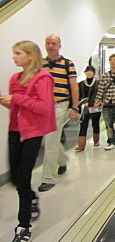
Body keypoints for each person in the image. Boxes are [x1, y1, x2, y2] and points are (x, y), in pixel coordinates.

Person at [0, 41, 56, 242]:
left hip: (31, 132)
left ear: (31, 55)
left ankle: (23, 226)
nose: (14, 57)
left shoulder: (43, 78)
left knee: (22, 176)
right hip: (14, 130)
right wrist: (7, 100)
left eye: (18, 53)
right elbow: (17, 106)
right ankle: (31, 197)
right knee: (15, 177)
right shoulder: (15, 78)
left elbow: (43, 107)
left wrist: (16, 97)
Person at [39, 35, 79, 192]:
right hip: (42, 107)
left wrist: (74, 107)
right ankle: (62, 160)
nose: (50, 46)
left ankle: (48, 178)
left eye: (54, 43)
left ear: (59, 46)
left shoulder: (67, 64)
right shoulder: (40, 64)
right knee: (47, 140)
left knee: (50, 139)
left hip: (60, 105)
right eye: (48, 43)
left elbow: (74, 86)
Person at [94, 54, 115, 150]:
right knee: (109, 124)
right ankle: (111, 141)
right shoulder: (105, 76)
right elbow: (101, 89)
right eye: (111, 60)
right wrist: (98, 101)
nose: (113, 62)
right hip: (107, 103)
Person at [75, 66, 101, 151]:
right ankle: (81, 144)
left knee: (95, 123)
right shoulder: (81, 83)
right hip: (84, 108)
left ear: (94, 73)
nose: (89, 73)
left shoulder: (98, 83)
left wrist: (99, 102)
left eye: (91, 71)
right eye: (87, 71)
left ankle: (96, 140)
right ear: (85, 73)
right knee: (83, 125)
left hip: (95, 107)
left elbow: (100, 94)